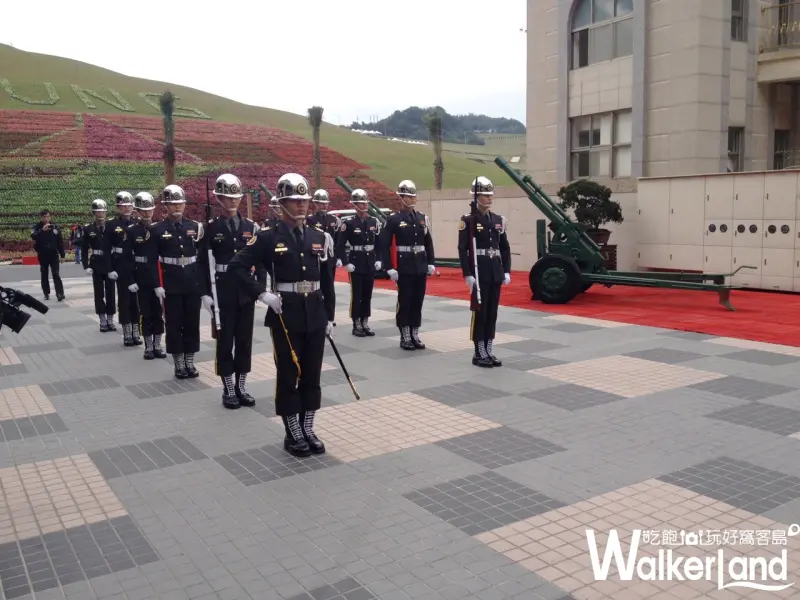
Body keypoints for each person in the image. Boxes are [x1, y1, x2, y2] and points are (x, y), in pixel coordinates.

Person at [227, 173, 335, 458]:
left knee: (312, 373)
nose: (301, 206)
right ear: (282, 202)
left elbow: (327, 280)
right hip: (285, 314)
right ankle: (293, 433)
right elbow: (236, 267)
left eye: (304, 200)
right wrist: (262, 294)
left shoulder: (319, 236)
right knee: (289, 374)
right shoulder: (267, 237)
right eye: (294, 200)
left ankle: (308, 427)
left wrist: (330, 317)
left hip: (314, 311)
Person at [200, 173, 266, 409]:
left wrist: (260, 289)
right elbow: (203, 264)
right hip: (223, 292)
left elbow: (261, 261)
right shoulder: (211, 228)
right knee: (225, 341)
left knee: (245, 342)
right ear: (218, 198)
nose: (233, 201)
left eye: (236, 197)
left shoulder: (251, 227)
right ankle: (228, 388)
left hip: (245, 292)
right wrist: (205, 294)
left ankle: (242, 385)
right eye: (228, 197)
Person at [149, 185, 205, 379]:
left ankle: (190, 361)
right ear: (166, 205)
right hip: (171, 282)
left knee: (192, 323)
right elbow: (151, 259)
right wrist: (157, 284)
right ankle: (178, 363)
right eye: (172, 203)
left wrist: (203, 284)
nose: (177, 207)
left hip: (191, 281)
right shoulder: (156, 229)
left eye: (180, 202)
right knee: (174, 324)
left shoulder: (194, 227)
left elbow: (202, 257)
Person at [458, 176, 512, 368]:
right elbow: (462, 249)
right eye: (485, 195)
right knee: (480, 313)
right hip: (479, 272)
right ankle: (479, 351)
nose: (489, 198)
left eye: (490, 195)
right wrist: (468, 274)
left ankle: (489, 348)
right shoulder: (469, 220)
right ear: (475, 197)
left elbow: (504, 248)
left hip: (494, 271)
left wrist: (506, 270)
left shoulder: (498, 220)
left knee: (492, 313)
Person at [378, 180, 436, 350]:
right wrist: (389, 267)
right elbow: (384, 244)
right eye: (407, 197)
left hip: (420, 265)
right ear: (401, 198)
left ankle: (415, 332)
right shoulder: (394, 220)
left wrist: (431, 262)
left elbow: (428, 242)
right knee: (405, 300)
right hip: (404, 266)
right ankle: (404, 334)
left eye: (412, 196)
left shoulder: (421, 218)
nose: (411, 200)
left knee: (418, 300)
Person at [125, 192, 166, 360]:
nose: (147, 213)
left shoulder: (159, 229)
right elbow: (126, 258)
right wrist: (130, 280)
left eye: (149, 210)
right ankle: (148, 346)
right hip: (141, 276)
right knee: (146, 313)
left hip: (158, 276)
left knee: (159, 313)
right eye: (143, 211)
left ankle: (158, 344)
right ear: (137, 212)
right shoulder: (132, 231)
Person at [335, 188, 380, 337]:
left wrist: (379, 259)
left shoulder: (373, 221)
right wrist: (346, 262)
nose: (364, 205)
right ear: (354, 205)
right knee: (357, 294)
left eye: (365, 202)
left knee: (367, 294)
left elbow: (379, 243)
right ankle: (356, 323)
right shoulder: (348, 223)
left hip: (370, 262)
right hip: (356, 262)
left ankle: (365, 321)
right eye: (360, 203)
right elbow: (340, 245)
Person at [105, 191, 142, 347]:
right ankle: (127, 332)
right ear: (118, 207)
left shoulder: (138, 222)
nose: (126, 208)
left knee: (137, 301)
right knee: (125, 300)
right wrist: (109, 268)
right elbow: (107, 249)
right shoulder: (111, 224)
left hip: (136, 264)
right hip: (120, 264)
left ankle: (135, 331)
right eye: (123, 206)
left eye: (129, 205)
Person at [81, 200, 117, 332]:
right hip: (96, 264)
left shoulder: (111, 227)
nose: (100, 214)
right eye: (98, 211)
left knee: (111, 293)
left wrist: (116, 266)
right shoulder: (88, 229)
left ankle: (110, 319)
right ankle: (102, 319)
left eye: (102, 211)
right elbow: (84, 248)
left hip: (110, 263)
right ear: (94, 213)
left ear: (106, 212)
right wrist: (86, 266)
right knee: (99, 293)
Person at [30, 210, 65, 301]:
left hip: (53, 254)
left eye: (47, 216)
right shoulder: (37, 227)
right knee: (44, 274)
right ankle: (46, 293)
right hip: (43, 254)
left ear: (50, 217)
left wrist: (62, 255)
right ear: (41, 218)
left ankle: (60, 293)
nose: (46, 219)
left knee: (56, 274)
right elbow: (33, 236)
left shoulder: (55, 227)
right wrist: (42, 230)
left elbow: (60, 242)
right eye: (44, 217)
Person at [306, 189, 340, 277]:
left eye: (326, 203)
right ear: (316, 204)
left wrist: (338, 257)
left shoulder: (333, 219)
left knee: (330, 283)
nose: (325, 205)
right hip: (317, 255)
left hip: (330, 255)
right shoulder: (310, 220)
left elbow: (337, 239)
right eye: (322, 203)